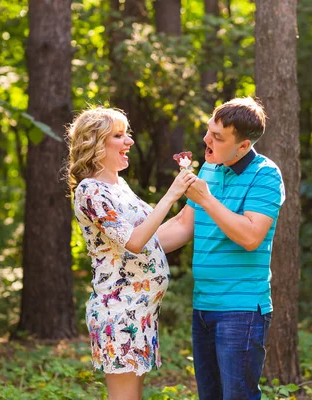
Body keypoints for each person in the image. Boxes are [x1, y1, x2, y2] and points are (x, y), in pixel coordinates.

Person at [157, 97, 286, 400]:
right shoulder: (209, 171)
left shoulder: (265, 174)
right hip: (204, 306)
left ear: (242, 146)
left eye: (217, 137)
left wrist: (207, 200)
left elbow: (251, 236)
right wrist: (129, 247)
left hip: (241, 309)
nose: (206, 140)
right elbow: (183, 225)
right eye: (208, 131)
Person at [66, 107, 196, 400]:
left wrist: (202, 190)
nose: (130, 142)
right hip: (119, 311)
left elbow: (166, 234)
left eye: (127, 134)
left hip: (141, 310)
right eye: (119, 135)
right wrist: (172, 194)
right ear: (96, 143)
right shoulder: (91, 191)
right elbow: (135, 242)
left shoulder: (119, 187)